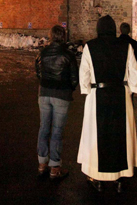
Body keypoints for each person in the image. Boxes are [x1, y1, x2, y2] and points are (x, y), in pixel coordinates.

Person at [77, 15, 137, 193]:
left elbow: (84, 74)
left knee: (97, 136)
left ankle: (96, 177)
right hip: (120, 95)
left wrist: (86, 91)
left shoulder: (90, 46)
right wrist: (131, 90)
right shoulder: (125, 46)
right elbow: (134, 71)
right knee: (120, 134)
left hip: (98, 95)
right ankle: (120, 176)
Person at [35, 25, 79, 180]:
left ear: (51, 36)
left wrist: (45, 83)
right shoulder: (68, 54)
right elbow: (74, 78)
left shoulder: (43, 52)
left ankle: (42, 164)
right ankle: (55, 168)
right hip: (61, 94)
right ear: (64, 36)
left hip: (44, 92)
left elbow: (38, 72)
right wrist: (68, 88)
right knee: (57, 131)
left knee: (44, 128)